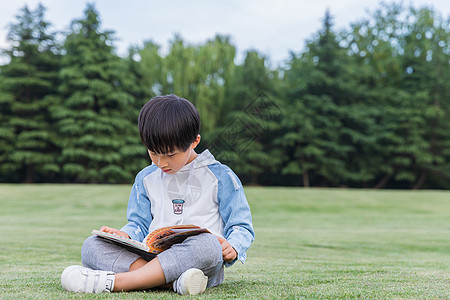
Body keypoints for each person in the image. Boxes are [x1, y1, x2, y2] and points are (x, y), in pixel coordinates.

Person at [60, 94, 255, 295]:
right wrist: (124, 235)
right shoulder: (146, 178)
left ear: (194, 141)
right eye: (153, 152)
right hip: (150, 258)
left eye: (170, 155)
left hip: (198, 261)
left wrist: (233, 247)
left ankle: (117, 282)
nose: (161, 163)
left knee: (207, 244)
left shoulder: (220, 176)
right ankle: (172, 283)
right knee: (92, 245)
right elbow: (139, 224)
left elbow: (241, 225)